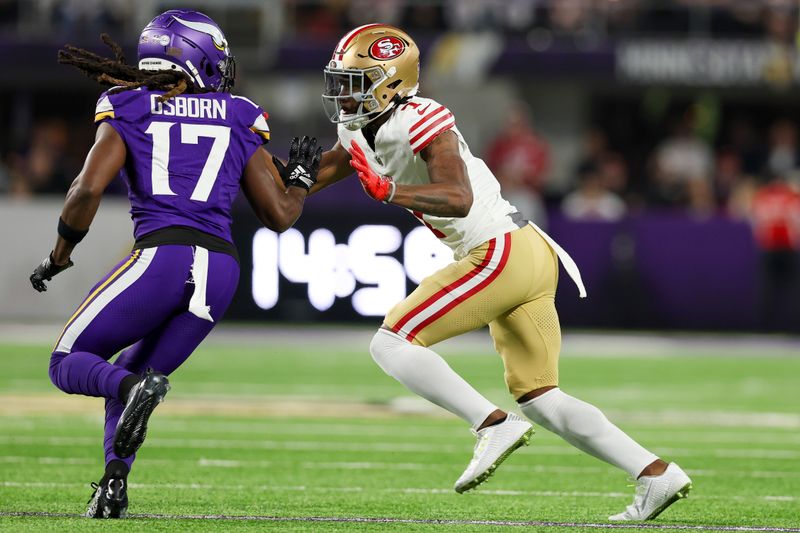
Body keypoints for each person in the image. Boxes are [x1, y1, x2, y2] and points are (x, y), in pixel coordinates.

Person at [308, 23, 692, 521]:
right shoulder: (357, 128)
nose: (342, 93)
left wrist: (392, 193)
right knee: (541, 397)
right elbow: (306, 179)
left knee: (392, 341)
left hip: (497, 250)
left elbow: (458, 196)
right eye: (339, 81)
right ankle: (655, 474)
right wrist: (255, 164)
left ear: (392, 82)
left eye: (354, 81)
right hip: (526, 251)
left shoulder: (420, 116)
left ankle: (489, 423)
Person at [29, 10, 321, 519]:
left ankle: (131, 392)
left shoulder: (127, 104)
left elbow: (86, 190)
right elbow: (279, 215)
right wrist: (298, 180)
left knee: (70, 362)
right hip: (221, 271)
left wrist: (59, 256)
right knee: (136, 371)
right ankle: (113, 486)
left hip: (163, 258)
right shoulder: (240, 112)